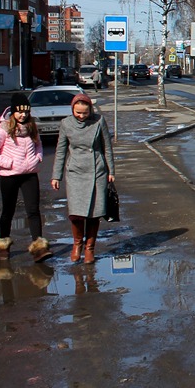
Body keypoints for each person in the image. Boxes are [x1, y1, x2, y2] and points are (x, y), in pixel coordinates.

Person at [0, 93, 50, 262]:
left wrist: (38, 158)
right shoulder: (3, 130)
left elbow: (39, 145)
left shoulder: (32, 127)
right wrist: (9, 163)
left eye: (26, 111)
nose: (23, 115)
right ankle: (3, 246)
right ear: (13, 112)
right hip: (10, 176)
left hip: (30, 175)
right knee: (8, 211)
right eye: (20, 112)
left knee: (33, 211)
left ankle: (39, 249)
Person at [51, 93, 115, 263]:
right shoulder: (66, 124)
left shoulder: (98, 121)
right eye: (77, 112)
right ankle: (77, 244)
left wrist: (111, 171)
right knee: (76, 213)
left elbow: (107, 147)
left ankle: (90, 248)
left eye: (84, 113)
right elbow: (61, 151)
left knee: (94, 213)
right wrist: (56, 176)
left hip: (97, 172)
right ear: (72, 109)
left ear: (90, 111)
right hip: (75, 173)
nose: (81, 116)